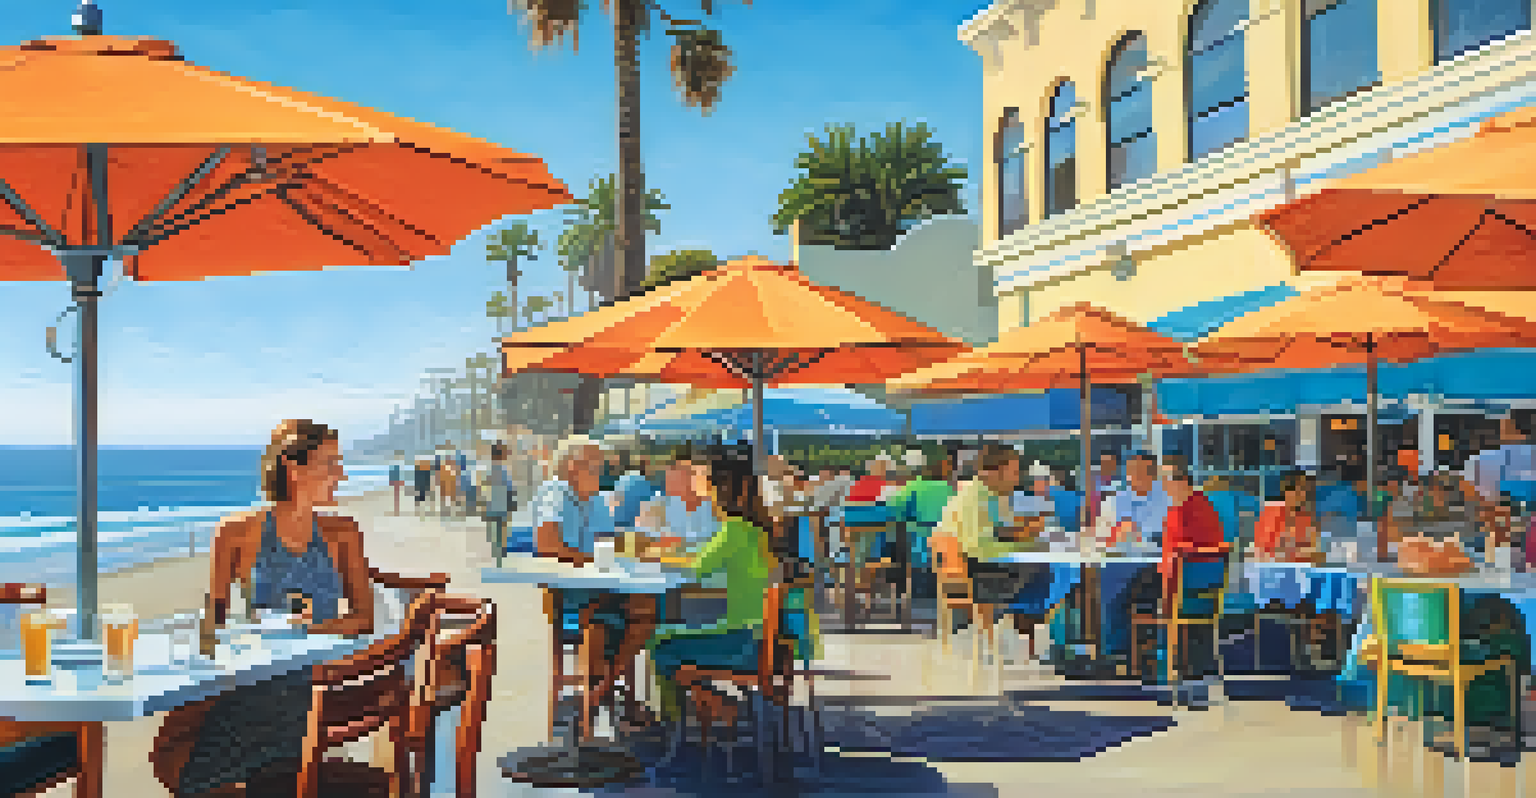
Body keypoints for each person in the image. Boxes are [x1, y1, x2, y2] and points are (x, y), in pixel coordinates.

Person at [151, 420, 377, 796]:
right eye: (330, 463)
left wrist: (302, 629)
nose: (341, 473)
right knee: (171, 745)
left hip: (312, 682)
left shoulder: (342, 531)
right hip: (257, 673)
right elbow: (215, 620)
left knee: (179, 756)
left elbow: (363, 619)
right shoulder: (236, 532)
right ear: (294, 467)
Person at [645, 444, 812, 726]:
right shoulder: (754, 529)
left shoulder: (732, 530)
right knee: (670, 631)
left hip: (742, 642)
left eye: (702, 478)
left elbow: (696, 569)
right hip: (763, 638)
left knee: (659, 643)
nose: (697, 481)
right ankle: (705, 711)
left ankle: (699, 716)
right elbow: (706, 560)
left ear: (717, 489)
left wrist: (654, 556)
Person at [533, 436, 656, 731]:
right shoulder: (555, 493)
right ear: (573, 466)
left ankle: (597, 695)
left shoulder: (597, 499)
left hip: (603, 588)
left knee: (649, 611)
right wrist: (589, 560)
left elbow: (608, 543)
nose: (602, 472)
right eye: (596, 465)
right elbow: (547, 544)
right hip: (569, 595)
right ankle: (607, 696)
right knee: (603, 620)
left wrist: (639, 546)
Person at [935, 444, 1049, 640]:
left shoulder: (983, 495)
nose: (1018, 478)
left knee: (1047, 572)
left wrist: (1021, 534)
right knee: (1050, 573)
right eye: (1014, 471)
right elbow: (980, 547)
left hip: (972, 571)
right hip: (979, 578)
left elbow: (993, 531)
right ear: (996, 471)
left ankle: (1023, 635)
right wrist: (1029, 545)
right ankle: (1034, 639)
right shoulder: (976, 499)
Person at [1151, 460, 1226, 692]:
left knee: (1128, 594)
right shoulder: (1203, 507)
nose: (1163, 486)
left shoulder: (1183, 511)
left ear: (1181, 482)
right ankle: (1183, 663)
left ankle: (1141, 662)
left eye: (1166, 481)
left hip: (1184, 584)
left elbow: (1180, 550)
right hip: (1206, 589)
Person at [1099, 452, 1172, 547]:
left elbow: (1164, 528)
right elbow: (1116, 529)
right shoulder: (1121, 496)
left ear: (1153, 474)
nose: (1137, 475)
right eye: (1133, 470)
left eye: (1143, 471)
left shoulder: (1165, 494)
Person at [1254, 471, 1318, 562]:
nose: (1301, 495)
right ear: (1286, 491)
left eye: (1304, 491)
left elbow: (1313, 549)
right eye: (1297, 490)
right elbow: (1263, 550)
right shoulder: (1271, 512)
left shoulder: (1304, 517)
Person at [485, 443, 516, 559]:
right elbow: (510, 489)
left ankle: (495, 549)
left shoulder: (489, 471)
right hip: (502, 507)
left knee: (494, 529)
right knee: (501, 530)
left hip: (492, 507)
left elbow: (484, 489)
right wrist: (512, 503)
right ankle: (501, 550)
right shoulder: (504, 471)